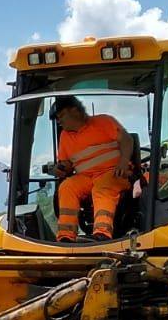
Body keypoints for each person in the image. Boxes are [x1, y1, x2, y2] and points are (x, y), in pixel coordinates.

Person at [51, 96, 133, 242]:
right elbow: (67, 164)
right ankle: (66, 236)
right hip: (87, 177)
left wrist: (123, 161)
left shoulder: (104, 122)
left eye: (61, 116)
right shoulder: (65, 136)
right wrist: (61, 169)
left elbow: (127, 140)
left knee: (102, 188)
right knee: (66, 187)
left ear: (75, 111)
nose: (59, 121)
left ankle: (102, 233)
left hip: (114, 173)